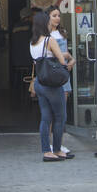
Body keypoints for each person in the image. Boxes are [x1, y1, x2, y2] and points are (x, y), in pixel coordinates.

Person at [30, 10, 71, 161]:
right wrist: (67, 59)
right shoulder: (49, 40)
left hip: (40, 83)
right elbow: (62, 61)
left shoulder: (33, 42)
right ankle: (58, 149)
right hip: (52, 85)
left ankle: (46, 150)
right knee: (60, 117)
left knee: (45, 118)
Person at [44, 4, 76, 157]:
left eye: (58, 15)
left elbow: (67, 52)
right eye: (54, 15)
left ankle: (58, 143)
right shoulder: (43, 35)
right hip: (52, 74)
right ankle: (50, 144)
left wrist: (72, 60)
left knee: (61, 113)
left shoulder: (62, 32)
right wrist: (65, 57)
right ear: (47, 17)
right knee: (50, 112)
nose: (57, 18)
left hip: (63, 73)